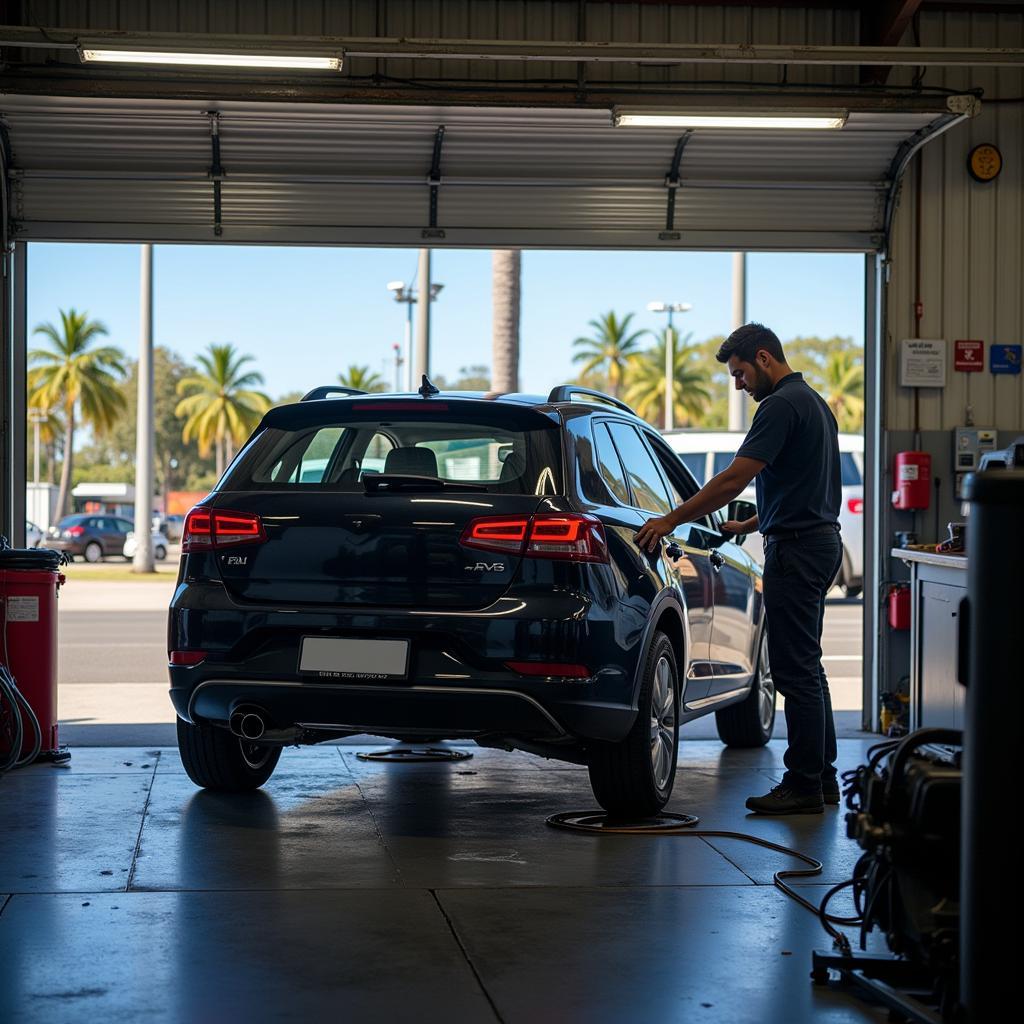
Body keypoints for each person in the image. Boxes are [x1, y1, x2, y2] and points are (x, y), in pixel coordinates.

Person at [635, 322, 842, 815]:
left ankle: (803, 784)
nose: (739, 384)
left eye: (741, 373)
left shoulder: (779, 405)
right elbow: (805, 482)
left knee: (794, 671)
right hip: (817, 541)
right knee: (807, 667)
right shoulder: (813, 402)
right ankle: (824, 777)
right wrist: (754, 520)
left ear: (765, 359)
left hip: (796, 550)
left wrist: (669, 519)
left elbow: (733, 478)